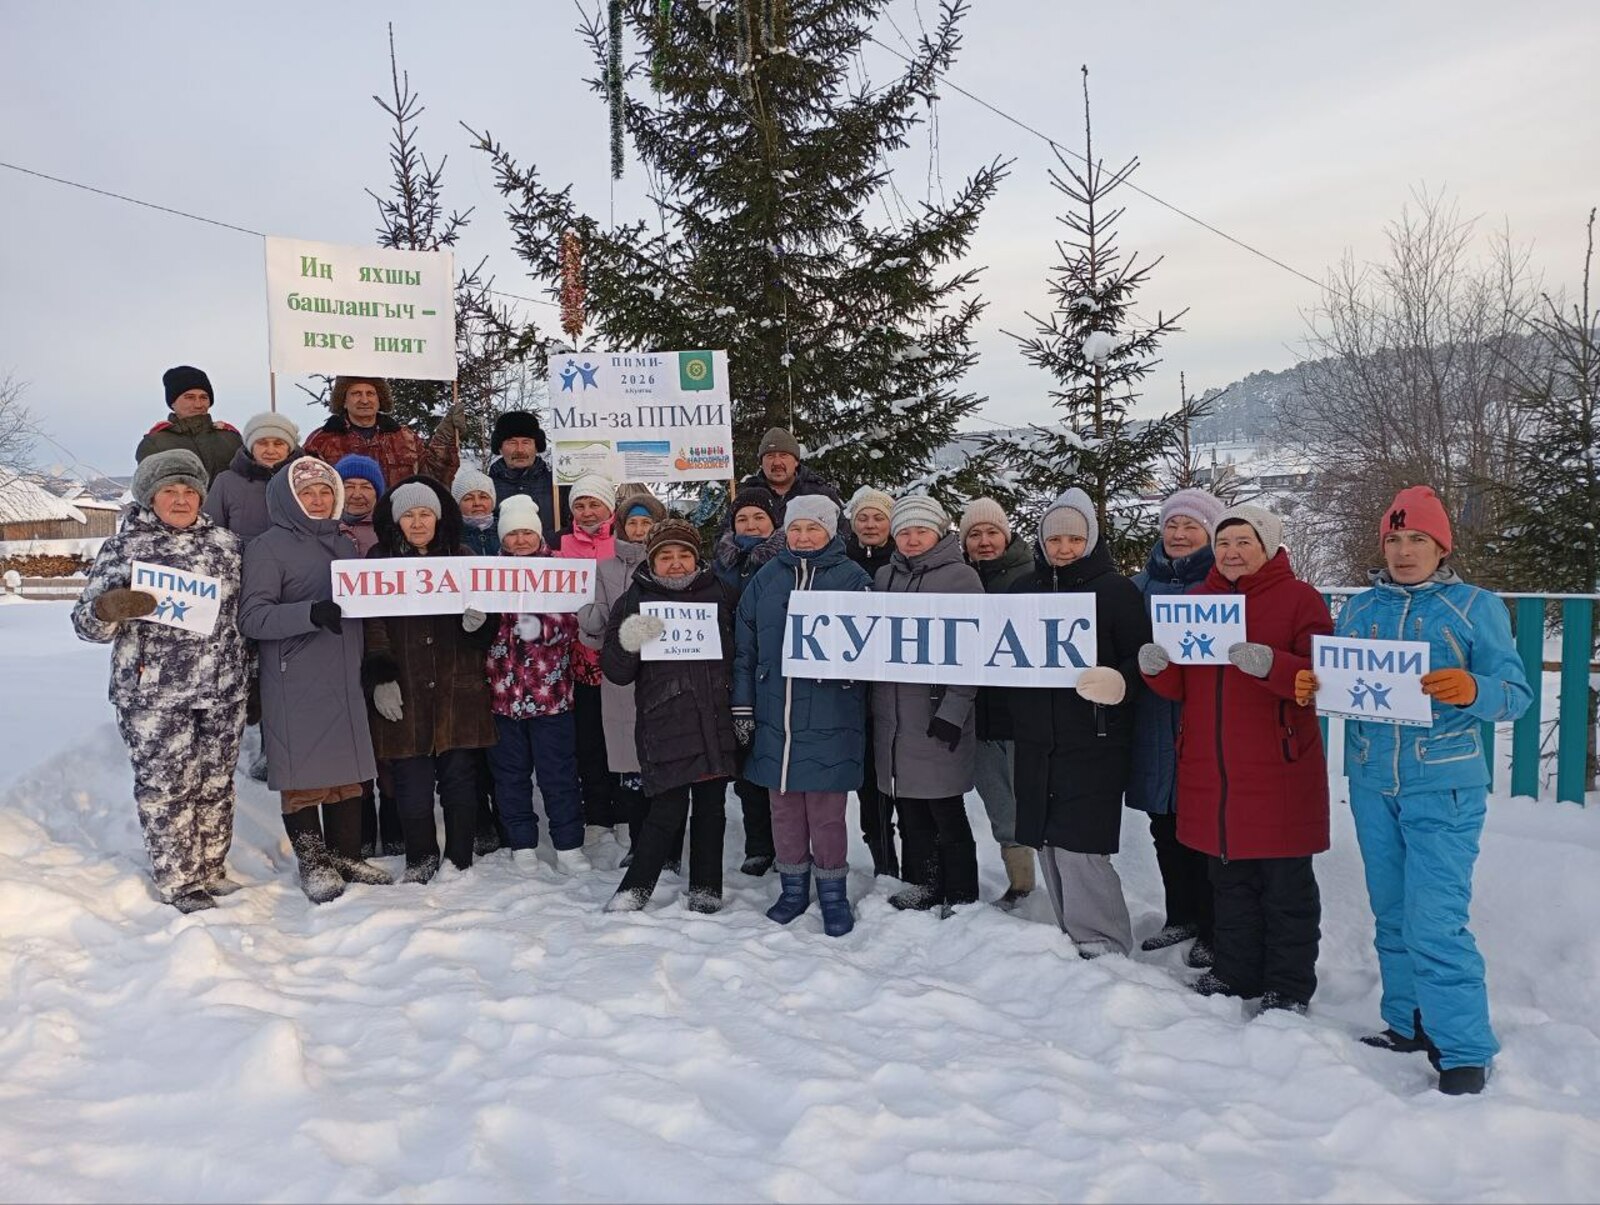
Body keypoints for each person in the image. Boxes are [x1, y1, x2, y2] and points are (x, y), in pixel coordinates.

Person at [1309, 486, 1531, 1095]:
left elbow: (1515, 694)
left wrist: (1474, 689)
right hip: (1371, 783)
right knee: (1392, 913)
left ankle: (1463, 1049)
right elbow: (1344, 681)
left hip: (1444, 786)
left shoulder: (1474, 607)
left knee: (1435, 921)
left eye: (1418, 540)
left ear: (1441, 547)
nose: (1404, 551)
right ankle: (1407, 1021)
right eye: (1394, 539)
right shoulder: (1361, 609)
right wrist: (1315, 683)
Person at [1140, 503, 1333, 1014]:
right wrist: (1158, 668)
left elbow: (1323, 676)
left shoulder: (1298, 598)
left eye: (1244, 542)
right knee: (1228, 883)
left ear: (1267, 547)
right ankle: (1235, 972)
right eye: (1224, 542)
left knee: (1284, 887)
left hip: (1278, 765)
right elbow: (1182, 685)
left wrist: (1274, 666)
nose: (1231, 552)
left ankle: (1287, 986)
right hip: (1212, 767)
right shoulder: (1197, 600)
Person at [71, 449, 250, 912]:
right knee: (167, 787)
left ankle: (211, 868)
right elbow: (86, 625)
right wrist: (106, 610)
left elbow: (246, 615)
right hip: (152, 695)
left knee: (216, 783)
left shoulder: (228, 546)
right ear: (150, 496)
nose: (181, 498)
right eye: (169, 490)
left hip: (221, 689)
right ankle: (181, 881)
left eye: (189, 490)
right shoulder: (124, 549)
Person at [239, 459, 392, 903]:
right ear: (288, 499)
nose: (319, 499)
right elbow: (252, 617)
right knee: (303, 776)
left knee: (347, 773)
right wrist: (308, 613)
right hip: (295, 676)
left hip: (344, 671)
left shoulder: (344, 544)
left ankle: (346, 856)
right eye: (308, 493)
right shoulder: (267, 547)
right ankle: (314, 862)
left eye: (326, 491)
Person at [1009, 489, 1150, 958]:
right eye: (1055, 540)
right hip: (1036, 737)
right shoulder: (1023, 591)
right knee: (1047, 839)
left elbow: (1143, 659)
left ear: (1090, 540)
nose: (1064, 548)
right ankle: (1070, 932)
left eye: (1074, 539)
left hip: (1094, 737)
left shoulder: (1116, 591)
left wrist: (1121, 682)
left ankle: (1104, 943)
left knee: (1082, 844)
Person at [733, 496, 873, 935]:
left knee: (827, 812)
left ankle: (833, 892)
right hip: (775, 713)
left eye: (813, 528)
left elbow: (872, 647)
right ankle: (793, 888)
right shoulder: (766, 578)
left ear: (830, 532)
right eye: (796, 529)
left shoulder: (854, 579)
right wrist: (743, 707)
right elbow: (745, 650)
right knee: (784, 810)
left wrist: (851, 680)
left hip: (831, 713)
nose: (804, 537)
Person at [360, 476, 497, 882]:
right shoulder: (379, 560)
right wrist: (381, 677)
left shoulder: (463, 556)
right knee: (411, 781)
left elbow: (487, 618)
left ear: (438, 518)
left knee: (460, 779)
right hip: (405, 686)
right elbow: (373, 623)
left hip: (457, 687)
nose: (418, 523)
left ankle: (459, 858)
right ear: (395, 521)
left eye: (425, 514)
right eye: (409, 516)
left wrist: (480, 623)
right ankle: (420, 858)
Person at [600, 519, 738, 914]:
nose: (675, 563)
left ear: (696, 558)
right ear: (652, 560)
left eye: (683, 555)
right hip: (665, 724)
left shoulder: (721, 593)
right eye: (665, 556)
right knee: (665, 810)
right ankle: (636, 888)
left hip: (713, 720)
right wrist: (630, 640)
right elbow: (617, 671)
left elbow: (739, 653)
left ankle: (707, 889)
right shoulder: (635, 599)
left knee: (711, 809)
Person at [871, 494, 983, 914]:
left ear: (938, 532)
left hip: (936, 713)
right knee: (910, 807)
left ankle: (962, 892)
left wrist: (954, 709)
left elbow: (974, 650)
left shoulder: (960, 578)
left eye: (921, 531)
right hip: (894, 714)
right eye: (904, 532)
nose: (912, 539)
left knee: (945, 808)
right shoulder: (885, 576)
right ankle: (923, 882)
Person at [1128, 488, 1225, 966]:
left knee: (1205, 828)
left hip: (1202, 723)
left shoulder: (1223, 586)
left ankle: (1213, 926)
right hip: (1150, 721)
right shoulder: (1138, 586)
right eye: (1172, 525)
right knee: (1163, 825)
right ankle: (1180, 914)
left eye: (1191, 526)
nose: (1180, 534)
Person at [484, 495, 587, 871]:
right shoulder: (487, 572)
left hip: (551, 695)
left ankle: (569, 844)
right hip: (503, 696)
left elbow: (578, 621)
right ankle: (522, 842)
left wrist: (543, 628)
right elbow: (474, 629)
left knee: (558, 773)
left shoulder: (559, 568)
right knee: (510, 775)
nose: (521, 540)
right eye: (513, 534)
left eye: (527, 532)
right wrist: (475, 621)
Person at [577, 484, 672, 868]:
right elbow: (598, 628)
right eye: (633, 523)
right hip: (622, 678)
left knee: (664, 762)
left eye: (647, 523)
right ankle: (637, 843)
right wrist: (590, 622)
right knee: (630, 763)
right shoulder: (605, 568)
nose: (639, 530)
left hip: (665, 675)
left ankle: (666, 847)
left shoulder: (671, 562)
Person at [960, 497, 1036, 910]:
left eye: (992, 532)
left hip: (1023, 716)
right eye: (975, 534)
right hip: (979, 716)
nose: (984, 541)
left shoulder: (1032, 576)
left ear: (1006, 536)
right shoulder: (958, 581)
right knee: (1000, 805)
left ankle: (1059, 887)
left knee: (1034, 802)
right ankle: (1021, 884)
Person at [551, 472, 623, 860]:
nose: (588, 511)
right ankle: (597, 815)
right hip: (577, 658)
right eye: (579, 505)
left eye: (594, 503)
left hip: (621, 657)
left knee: (622, 735)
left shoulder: (624, 541)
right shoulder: (558, 545)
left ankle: (624, 810)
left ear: (609, 507)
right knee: (590, 739)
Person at [714, 485, 785, 876]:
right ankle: (758, 844)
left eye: (759, 517)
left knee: (775, 759)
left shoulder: (787, 561)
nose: (751, 525)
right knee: (745, 760)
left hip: (774, 672)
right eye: (743, 518)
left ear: (774, 522)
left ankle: (786, 843)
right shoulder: (721, 564)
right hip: (732, 672)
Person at [845, 485, 899, 877]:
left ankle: (917, 862)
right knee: (869, 785)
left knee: (903, 785)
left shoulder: (904, 562)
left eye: (878, 517)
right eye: (862, 517)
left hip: (897, 690)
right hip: (855, 693)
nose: (870, 524)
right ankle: (884, 862)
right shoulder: (841, 563)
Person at [304, 376, 462, 492]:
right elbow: (306, 486)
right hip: (344, 525)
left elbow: (433, 476)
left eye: (370, 393)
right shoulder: (322, 441)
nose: (364, 400)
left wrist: (446, 435)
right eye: (356, 393)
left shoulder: (405, 438)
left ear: (380, 400)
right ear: (343, 401)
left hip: (397, 522)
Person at [202, 411, 304, 543]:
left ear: (289, 448)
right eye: (262, 443)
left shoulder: (305, 480)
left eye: (278, 443)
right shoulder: (226, 482)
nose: (270, 450)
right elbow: (211, 532)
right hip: (243, 555)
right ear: (251, 447)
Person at [135, 365, 242, 484]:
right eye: (190, 397)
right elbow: (149, 488)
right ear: (173, 402)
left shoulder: (231, 438)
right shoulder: (155, 443)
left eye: (203, 397)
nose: (198, 404)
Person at [729, 427, 844, 527]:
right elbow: (726, 534)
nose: (777, 462)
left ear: (796, 461)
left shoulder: (819, 493)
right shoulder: (746, 495)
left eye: (783, 455)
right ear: (761, 462)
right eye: (770, 456)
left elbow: (843, 534)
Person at [488, 410, 565, 535]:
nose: (520, 450)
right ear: (500, 448)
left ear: (537, 446)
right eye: (512, 442)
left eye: (526, 442)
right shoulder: (486, 489)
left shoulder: (556, 485)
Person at [335, 455, 386, 558]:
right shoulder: (322, 528)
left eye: (365, 487)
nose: (357, 495)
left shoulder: (389, 529)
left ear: (377, 494)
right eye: (349, 487)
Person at [452, 466, 501, 557]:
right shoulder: (450, 536)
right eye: (468, 498)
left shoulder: (506, 532)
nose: (477, 503)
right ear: (457, 504)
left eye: (483, 497)